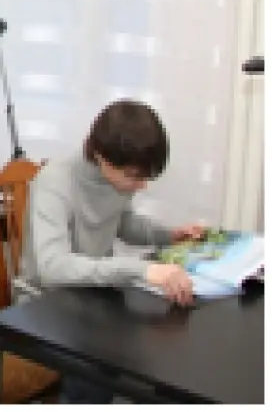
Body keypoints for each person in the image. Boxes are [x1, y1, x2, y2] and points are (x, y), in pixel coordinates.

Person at [20, 99, 207, 404]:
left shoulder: (115, 180)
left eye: (145, 177)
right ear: (100, 155)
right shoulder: (55, 181)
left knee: (161, 357)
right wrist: (142, 269)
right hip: (44, 307)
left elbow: (122, 223)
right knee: (96, 369)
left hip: (91, 297)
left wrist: (170, 235)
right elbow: (52, 268)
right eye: (134, 176)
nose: (141, 186)